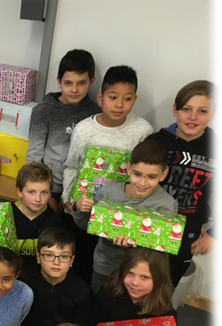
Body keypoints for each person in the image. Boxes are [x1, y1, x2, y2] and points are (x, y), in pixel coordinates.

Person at [61, 65, 153, 285]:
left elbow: (145, 173)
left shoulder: (143, 131)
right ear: (101, 97)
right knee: (81, 263)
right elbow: (71, 165)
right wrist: (68, 199)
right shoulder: (84, 129)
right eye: (113, 97)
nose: (119, 104)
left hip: (118, 214)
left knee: (111, 270)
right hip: (84, 209)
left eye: (127, 99)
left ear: (134, 99)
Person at [72, 140, 178, 293]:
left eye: (151, 177)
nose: (143, 182)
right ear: (128, 169)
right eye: (137, 174)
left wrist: (135, 243)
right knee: (99, 303)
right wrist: (79, 207)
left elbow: (161, 248)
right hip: (105, 268)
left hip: (141, 276)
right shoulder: (108, 193)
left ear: (163, 175)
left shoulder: (166, 205)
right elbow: (86, 225)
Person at [146, 80, 216, 286]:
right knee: (139, 282)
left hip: (187, 232)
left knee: (166, 287)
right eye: (186, 109)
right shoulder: (154, 142)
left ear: (213, 114)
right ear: (175, 109)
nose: (193, 117)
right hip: (149, 224)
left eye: (202, 111)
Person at [26, 49, 100, 209]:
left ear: (92, 81)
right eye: (68, 83)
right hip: (49, 189)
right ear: (59, 81)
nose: (74, 90)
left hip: (81, 191)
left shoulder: (96, 114)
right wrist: (45, 195)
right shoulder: (44, 112)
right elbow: (33, 158)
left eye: (81, 83)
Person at [18, 227, 91, 326]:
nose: (56, 262)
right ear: (38, 257)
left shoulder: (81, 289)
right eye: (49, 255)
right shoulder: (24, 280)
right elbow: (16, 318)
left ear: (72, 260)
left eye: (64, 256)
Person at [91, 247, 176, 326]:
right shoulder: (108, 293)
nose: (135, 282)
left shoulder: (166, 313)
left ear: (159, 279)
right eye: (130, 273)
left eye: (144, 277)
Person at [13, 162, 63, 267]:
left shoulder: (55, 221)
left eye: (44, 192)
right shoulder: (7, 215)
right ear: (20, 191)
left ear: (50, 193)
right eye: (32, 192)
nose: (38, 199)